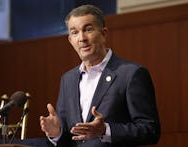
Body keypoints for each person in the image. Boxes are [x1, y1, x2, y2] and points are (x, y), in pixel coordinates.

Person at [40, 5, 160, 147]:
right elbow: (69, 139)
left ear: (103, 34)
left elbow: (150, 131)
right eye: (75, 32)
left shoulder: (131, 74)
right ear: (70, 40)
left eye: (88, 29)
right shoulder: (68, 79)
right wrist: (57, 133)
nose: (82, 38)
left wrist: (105, 130)